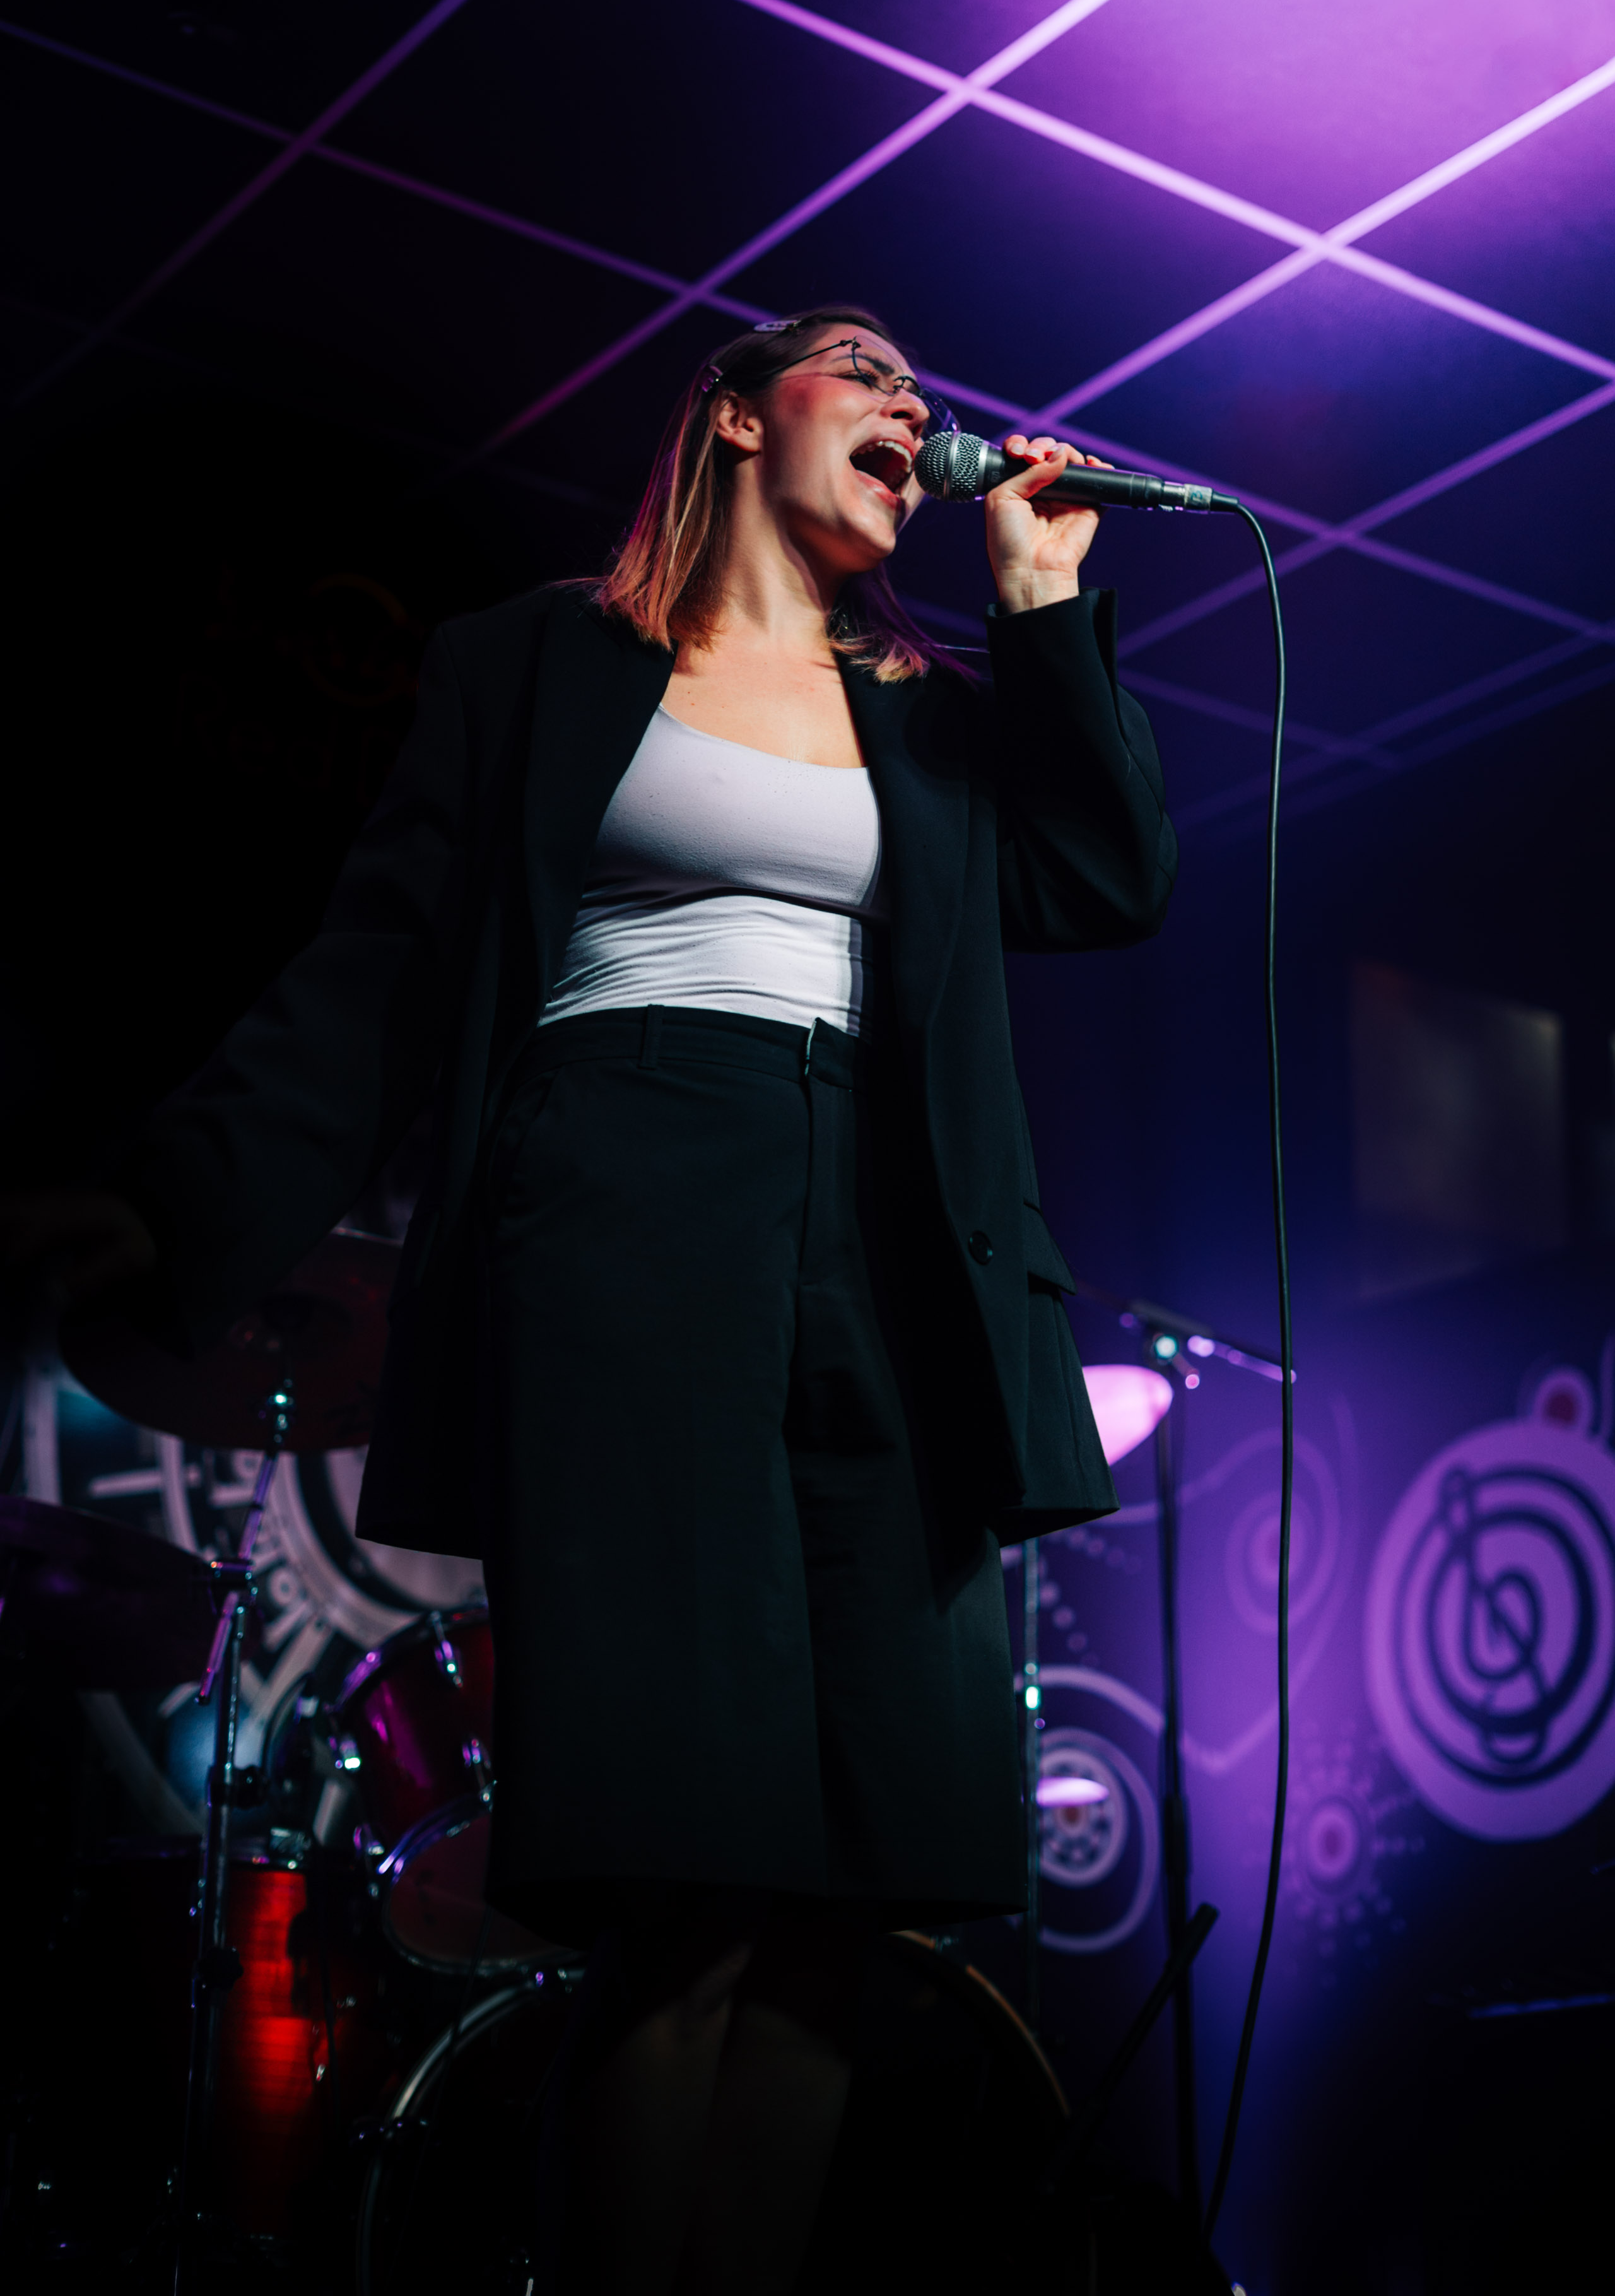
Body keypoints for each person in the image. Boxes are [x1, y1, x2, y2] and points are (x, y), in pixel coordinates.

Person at [1, 305, 1175, 2292]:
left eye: (920, 383)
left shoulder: (933, 713)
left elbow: (1107, 878)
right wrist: (170, 1205)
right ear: (734, 415)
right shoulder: (538, 665)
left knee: (847, 1904)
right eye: (861, 365)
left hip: (896, 1272)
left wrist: (1047, 612)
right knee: (692, 1884)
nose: (913, 401)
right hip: (633, 1225)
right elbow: (370, 980)